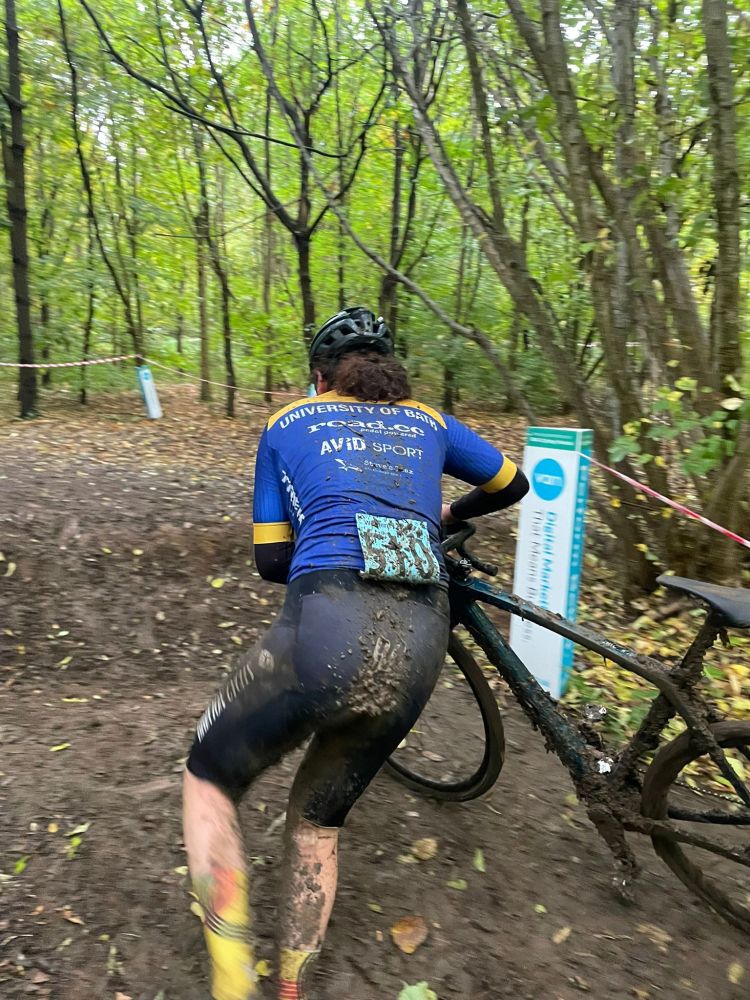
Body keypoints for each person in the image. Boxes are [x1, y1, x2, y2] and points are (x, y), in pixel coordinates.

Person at [182, 306, 529, 1000]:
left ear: (319, 377)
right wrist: (442, 517)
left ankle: (230, 982)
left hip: (322, 630)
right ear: (389, 370)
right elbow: (511, 484)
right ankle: (290, 988)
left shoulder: (287, 423)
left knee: (209, 780)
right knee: (318, 821)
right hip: (422, 640)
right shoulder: (429, 420)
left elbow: (272, 558)